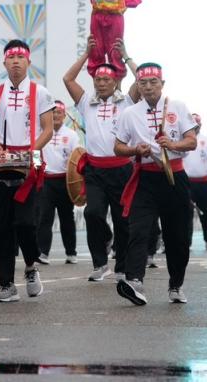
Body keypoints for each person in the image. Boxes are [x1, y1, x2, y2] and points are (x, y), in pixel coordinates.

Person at [0, 39, 55, 303]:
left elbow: (48, 129)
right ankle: (6, 284)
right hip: (1, 164)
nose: (16, 62)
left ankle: (31, 266)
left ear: (29, 61)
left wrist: (30, 152)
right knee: (3, 226)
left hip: (29, 164)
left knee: (26, 222)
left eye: (21, 58)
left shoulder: (40, 92)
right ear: (4, 62)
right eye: (11, 58)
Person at [112, 63, 197, 306]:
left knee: (177, 237)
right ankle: (135, 282)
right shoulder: (130, 113)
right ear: (137, 85)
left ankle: (176, 284)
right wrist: (134, 149)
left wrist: (173, 145)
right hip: (145, 178)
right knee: (138, 229)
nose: (148, 87)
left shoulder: (177, 107)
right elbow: (117, 147)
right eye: (143, 83)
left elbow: (191, 142)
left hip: (174, 178)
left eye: (153, 82)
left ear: (162, 84)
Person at [63, 36, 138, 282]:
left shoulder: (126, 101)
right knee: (92, 214)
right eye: (97, 79)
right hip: (95, 169)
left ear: (115, 81)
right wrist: (87, 54)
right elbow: (68, 79)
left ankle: (122, 266)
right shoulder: (86, 103)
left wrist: (126, 56)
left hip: (122, 169)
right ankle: (100, 261)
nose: (102, 82)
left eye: (106, 79)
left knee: (123, 219)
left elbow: (142, 80)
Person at [36, 101, 80, 265]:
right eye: (52, 113)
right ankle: (43, 252)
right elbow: (35, 152)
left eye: (59, 113)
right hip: (46, 180)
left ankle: (71, 252)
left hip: (65, 181)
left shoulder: (72, 135)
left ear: (64, 115)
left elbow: (76, 158)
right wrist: (36, 170)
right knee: (44, 217)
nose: (55, 116)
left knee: (66, 217)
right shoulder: (41, 133)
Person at [183, 113, 207, 251]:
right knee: (186, 214)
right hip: (186, 183)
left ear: (200, 125)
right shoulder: (183, 139)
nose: (194, 127)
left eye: (196, 124)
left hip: (203, 182)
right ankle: (187, 242)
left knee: (205, 212)